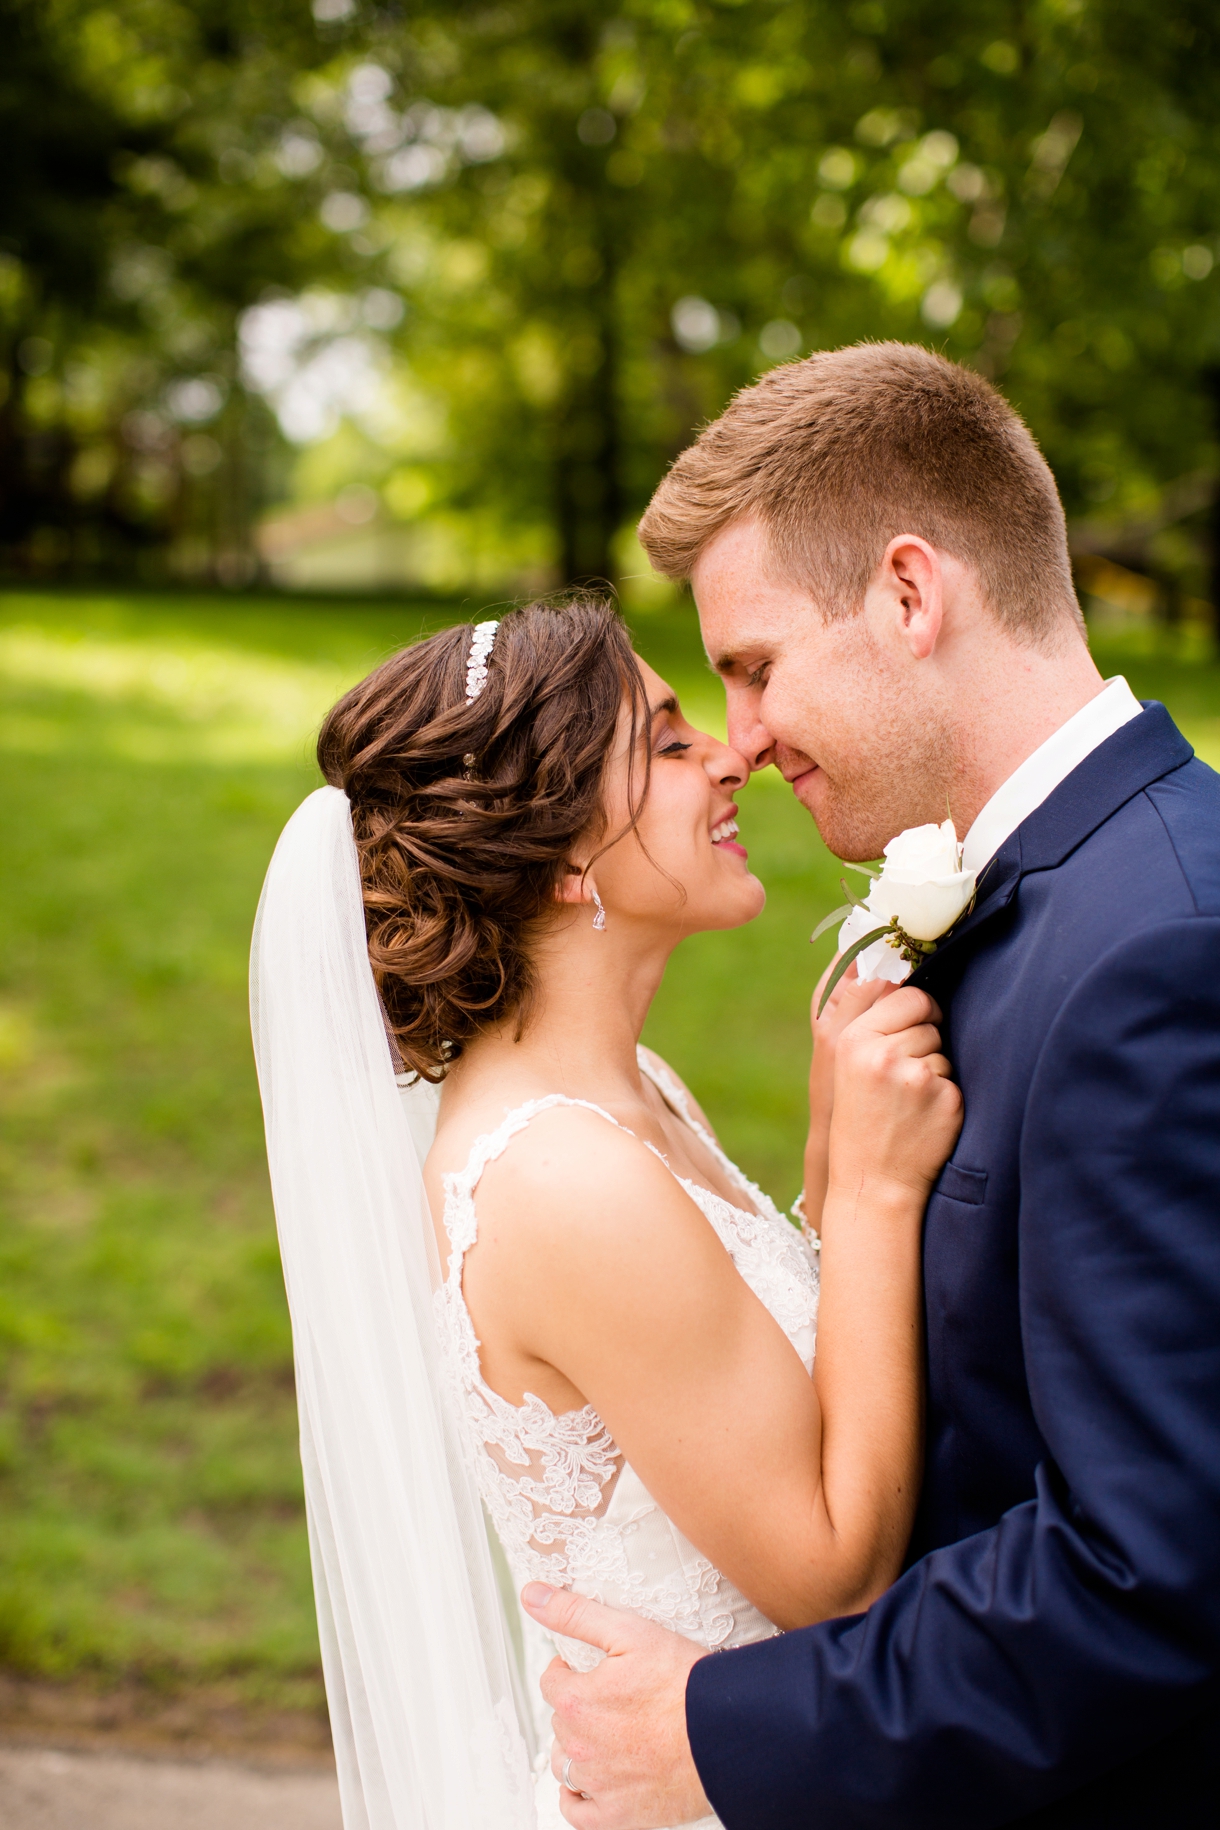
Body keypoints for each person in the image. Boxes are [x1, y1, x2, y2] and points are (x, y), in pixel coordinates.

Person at [524, 342, 1220, 1828]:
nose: (746, 740)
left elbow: (1154, 1565)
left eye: (755, 667)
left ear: (911, 594)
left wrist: (726, 1727)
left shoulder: (1152, 951)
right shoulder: (1051, 901)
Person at [252, 595, 962, 1830]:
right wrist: (874, 1195)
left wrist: (832, 1143)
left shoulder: (628, 1094)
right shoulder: (560, 1180)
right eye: (670, 742)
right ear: (563, 847)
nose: (731, 757)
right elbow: (831, 1578)